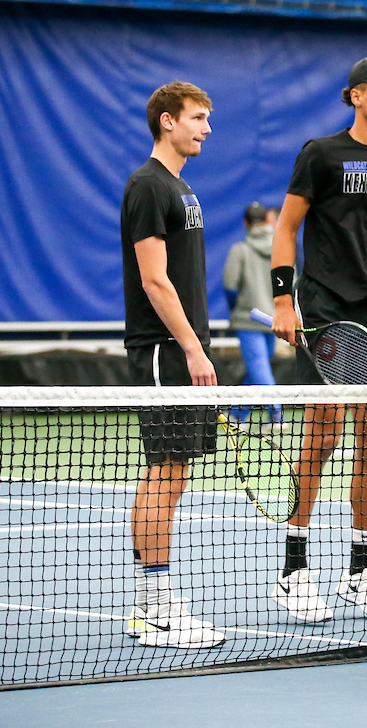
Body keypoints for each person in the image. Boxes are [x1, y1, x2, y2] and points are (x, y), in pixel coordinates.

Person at [269, 56, 367, 623]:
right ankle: (294, 569)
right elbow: (286, 229)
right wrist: (283, 300)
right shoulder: (320, 153)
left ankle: (360, 571)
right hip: (323, 312)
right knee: (323, 434)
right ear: (354, 96)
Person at [121, 80, 224, 649]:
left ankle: (150, 602)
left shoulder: (181, 187)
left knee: (164, 471)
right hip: (165, 350)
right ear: (168, 121)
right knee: (169, 473)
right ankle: (157, 609)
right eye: (199, 118)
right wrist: (190, 347)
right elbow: (154, 278)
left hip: (179, 348)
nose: (207, 128)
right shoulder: (147, 186)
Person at [223, 201, 284, 431]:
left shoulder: (240, 250)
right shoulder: (281, 247)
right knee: (257, 369)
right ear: (267, 221)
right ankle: (239, 413)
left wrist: (235, 308)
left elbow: (230, 284)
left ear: (245, 223)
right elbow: (292, 280)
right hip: (273, 320)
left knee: (259, 369)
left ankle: (277, 414)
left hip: (248, 319)